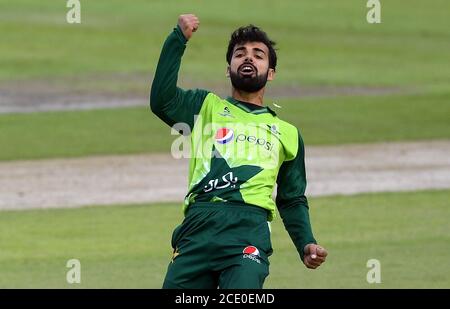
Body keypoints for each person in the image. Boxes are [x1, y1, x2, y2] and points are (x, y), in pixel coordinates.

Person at [150, 14, 327, 289]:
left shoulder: (288, 134)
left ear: (270, 73)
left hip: (248, 232)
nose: (248, 58)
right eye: (240, 54)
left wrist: (306, 242)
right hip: (198, 227)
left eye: (258, 55)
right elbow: (162, 100)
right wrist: (177, 40)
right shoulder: (204, 107)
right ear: (228, 68)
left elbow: (292, 199)